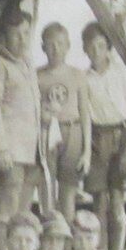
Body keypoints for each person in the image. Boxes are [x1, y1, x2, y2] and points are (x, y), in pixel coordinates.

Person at [0, 8, 46, 250]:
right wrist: (0, 149)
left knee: (23, 213)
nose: (21, 39)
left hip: (31, 150)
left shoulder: (28, 65)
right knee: (7, 209)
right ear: (5, 37)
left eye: (26, 33)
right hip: (10, 151)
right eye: (15, 34)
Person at [82, 22, 126, 250]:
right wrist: (88, 150)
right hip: (97, 138)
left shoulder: (123, 73)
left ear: (108, 48)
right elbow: (85, 116)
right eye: (91, 47)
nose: (96, 51)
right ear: (85, 50)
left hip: (120, 137)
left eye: (101, 46)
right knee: (99, 204)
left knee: (118, 203)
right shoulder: (85, 78)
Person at [37, 23, 92, 219]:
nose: (55, 49)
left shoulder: (77, 75)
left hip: (72, 131)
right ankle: (48, 235)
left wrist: (86, 151)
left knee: (68, 191)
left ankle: (65, 244)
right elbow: (34, 109)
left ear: (68, 45)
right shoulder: (37, 76)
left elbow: (85, 112)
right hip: (47, 133)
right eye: (50, 45)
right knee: (47, 186)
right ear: (43, 48)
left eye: (60, 44)